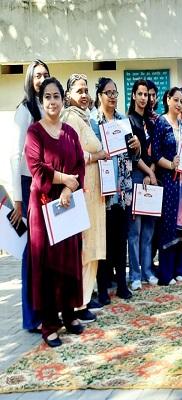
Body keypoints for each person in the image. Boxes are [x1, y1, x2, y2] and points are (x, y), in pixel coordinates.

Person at [24, 77, 86, 347]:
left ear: (63, 100)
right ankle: (49, 324)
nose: (52, 101)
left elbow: (80, 165)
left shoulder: (70, 133)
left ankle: (70, 315)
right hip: (42, 208)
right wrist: (64, 181)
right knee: (47, 267)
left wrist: (69, 190)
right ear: (41, 101)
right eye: (47, 97)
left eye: (56, 96)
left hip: (66, 205)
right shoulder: (34, 133)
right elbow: (37, 170)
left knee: (69, 261)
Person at [60, 74, 106, 322]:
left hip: (94, 190)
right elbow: (72, 157)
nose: (85, 94)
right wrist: (98, 156)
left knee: (92, 246)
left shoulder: (85, 118)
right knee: (84, 247)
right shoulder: (69, 119)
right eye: (79, 91)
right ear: (68, 96)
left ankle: (85, 298)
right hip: (82, 189)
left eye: (86, 90)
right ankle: (78, 303)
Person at [90, 77, 138, 303]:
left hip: (123, 190)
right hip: (102, 190)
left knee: (121, 240)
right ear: (99, 95)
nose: (112, 96)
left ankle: (121, 286)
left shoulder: (123, 120)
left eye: (115, 92)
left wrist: (136, 147)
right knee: (103, 241)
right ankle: (102, 289)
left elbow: (132, 155)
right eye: (107, 92)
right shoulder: (92, 121)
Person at [10, 60, 49, 333]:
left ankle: (47, 310)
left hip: (48, 183)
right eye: (37, 76)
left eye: (46, 75)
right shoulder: (25, 110)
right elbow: (16, 155)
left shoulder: (48, 108)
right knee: (32, 253)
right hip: (28, 183)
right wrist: (19, 199)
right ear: (29, 80)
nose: (42, 79)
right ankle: (30, 317)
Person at [152, 87, 182, 284]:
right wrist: (171, 165)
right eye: (176, 100)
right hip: (168, 180)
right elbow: (155, 153)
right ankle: (166, 272)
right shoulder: (161, 123)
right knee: (168, 224)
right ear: (168, 100)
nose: (180, 104)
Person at [126, 80, 159, 289]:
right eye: (140, 94)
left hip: (152, 177)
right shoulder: (128, 121)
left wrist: (152, 173)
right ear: (133, 96)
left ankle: (147, 270)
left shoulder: (153, 121)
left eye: (146, 94)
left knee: (149, 230)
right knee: (135, 231)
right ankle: (135, 275)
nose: (144, 98)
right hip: (136, 177)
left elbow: (156, 151)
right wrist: (147, 173)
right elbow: (132, 154)